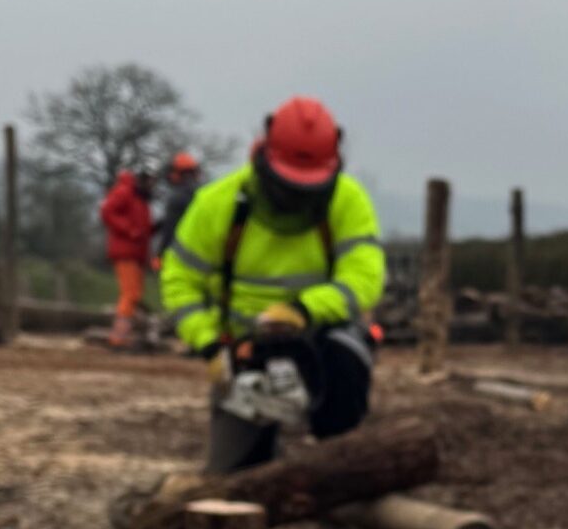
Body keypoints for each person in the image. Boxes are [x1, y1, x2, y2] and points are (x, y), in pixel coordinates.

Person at [159, 98, 386, 472]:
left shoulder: (348, 201)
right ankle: (258, 460)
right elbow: (179, 280)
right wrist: (209, 343)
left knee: (348, 353)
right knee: (230, 475)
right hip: (244, 348)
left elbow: (364, 277)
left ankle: (340, 459)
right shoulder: (218, 204)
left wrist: (303, 310)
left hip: (320, 341)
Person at [98, 167, 155, 348]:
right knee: (130, 294)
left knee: (135, 294)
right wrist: (129, 230)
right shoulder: (125, 192)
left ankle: (124, 334)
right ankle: (118, 337)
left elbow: (141, 229)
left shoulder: (141, 198)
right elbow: (107, 211)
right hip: (126, 253)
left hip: (136, 253)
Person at [152, 150, 202, 260]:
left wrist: (160, 254)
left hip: (178, 256)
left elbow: (170, 229)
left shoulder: (177, 197)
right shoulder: (203, 193)